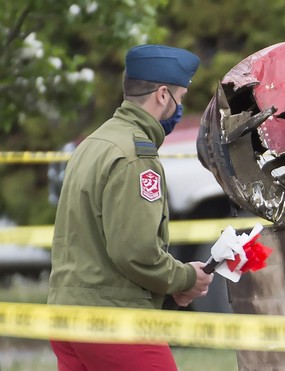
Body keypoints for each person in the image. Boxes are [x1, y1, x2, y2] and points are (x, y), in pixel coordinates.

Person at [47, 44, 214, 370]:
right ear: (163, 95)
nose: (181, 108)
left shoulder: (94, 143)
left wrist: (168, 291)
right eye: (181, 98)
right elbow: (136, 252)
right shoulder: (136, 156)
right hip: (112, 321)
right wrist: (184, 278)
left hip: (66, 314)